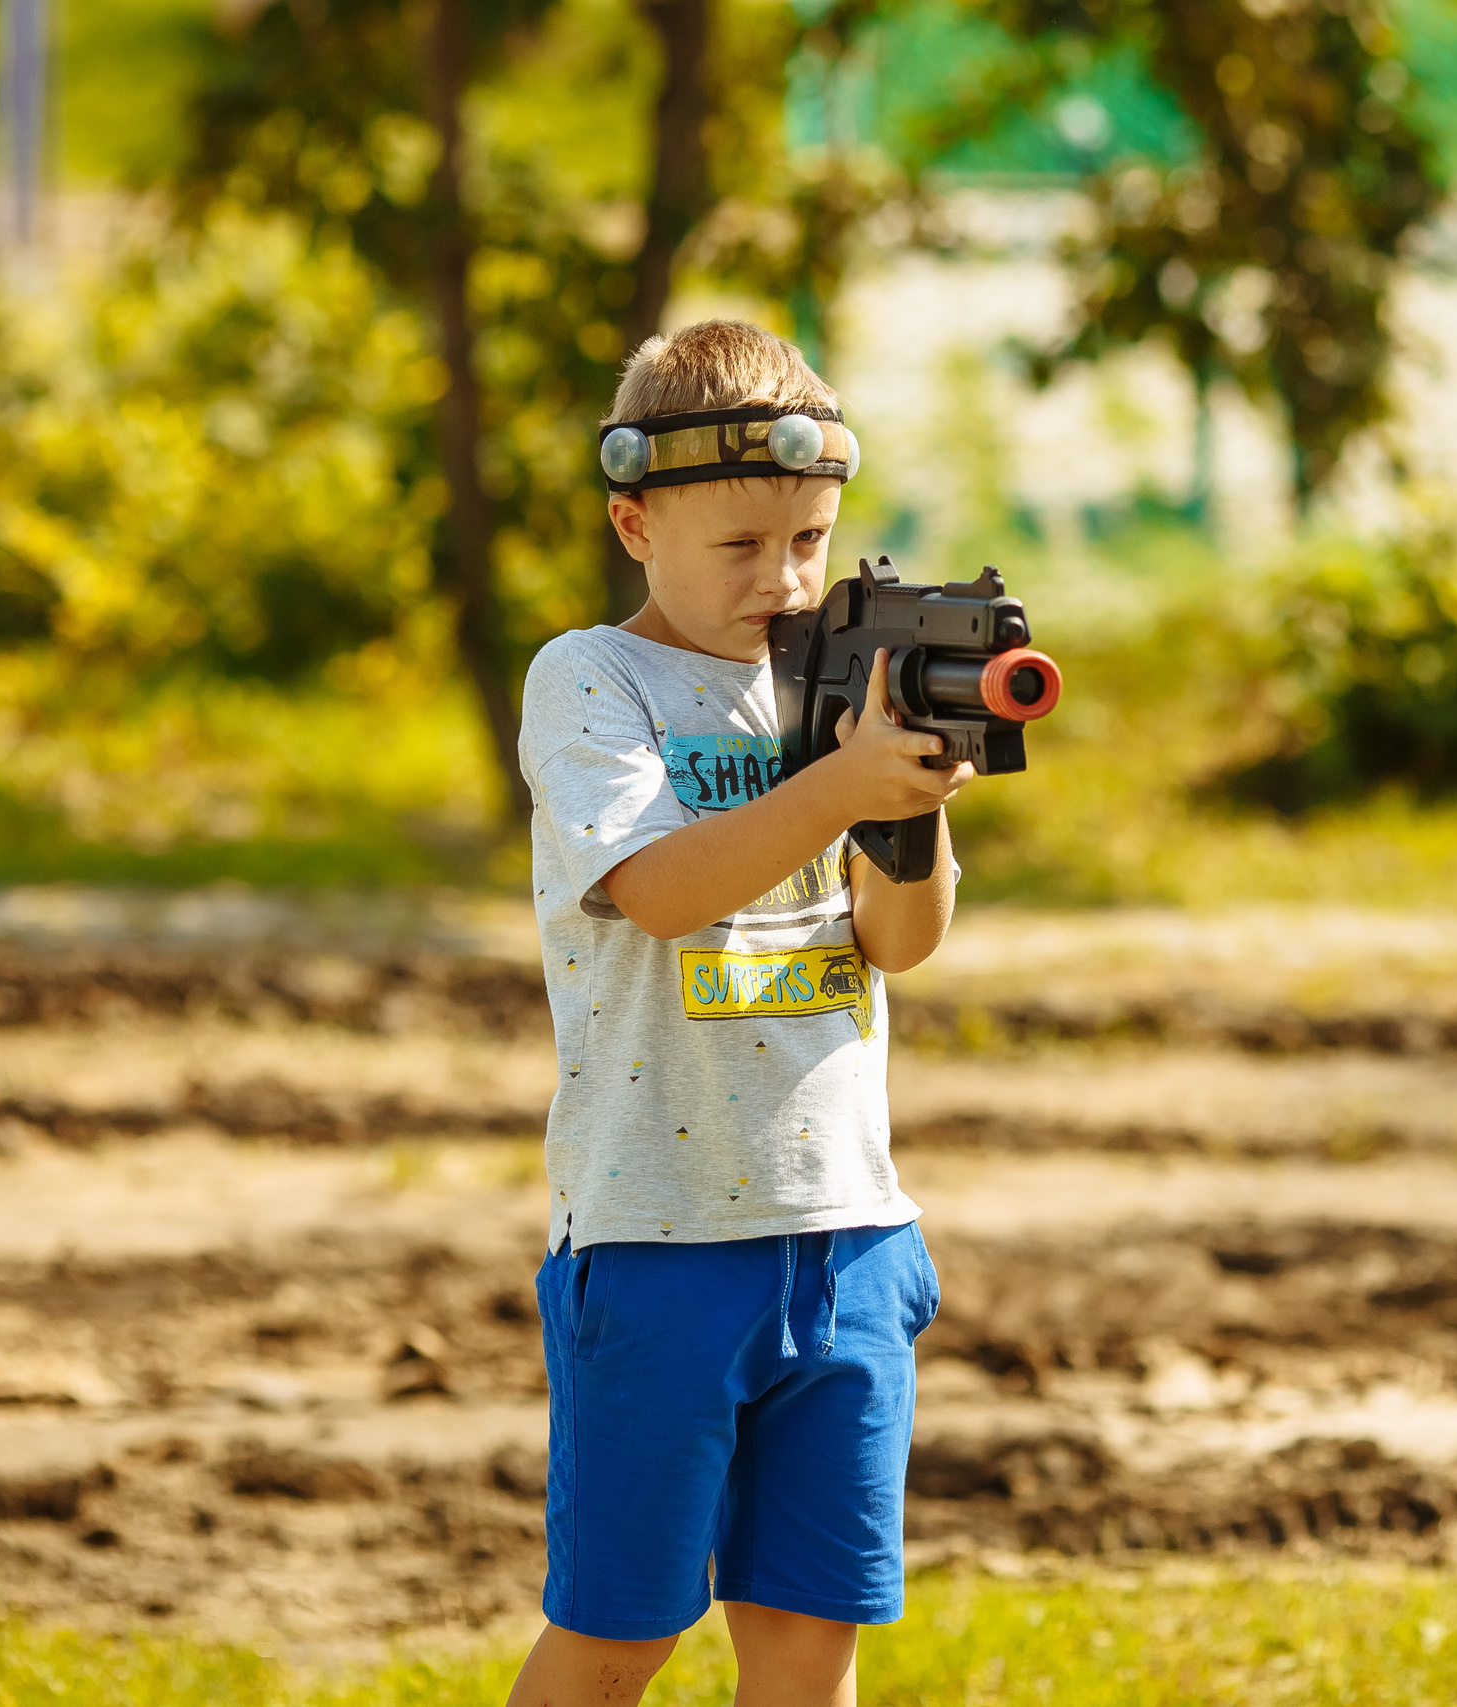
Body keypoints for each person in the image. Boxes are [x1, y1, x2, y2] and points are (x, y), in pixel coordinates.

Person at [507, 319, 968, 1707]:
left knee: (808, 1644)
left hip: (847, 1233)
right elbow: (659, 892)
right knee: (619, 1636)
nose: (784, 581)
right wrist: (837, 787)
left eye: (811, 541)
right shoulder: (592, 679)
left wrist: (909, 805)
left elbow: (900, 941)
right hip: (659, 1239)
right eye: (742, 546)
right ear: (633, 524)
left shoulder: (832, 691)